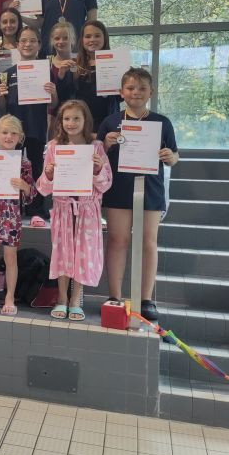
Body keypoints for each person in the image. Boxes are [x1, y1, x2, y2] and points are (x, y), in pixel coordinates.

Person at [97, 68, 179, 322]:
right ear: (121, 92)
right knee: (117, 240)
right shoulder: (110, 122)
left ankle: (146, 299)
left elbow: (174, 156)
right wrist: (106, 144)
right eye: (131, 88)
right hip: (118, 187)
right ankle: (114, 296)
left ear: (150, 92)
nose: (136, 92)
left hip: (150, 188)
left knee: (148, 241)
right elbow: (97, 158)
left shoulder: (162, 122)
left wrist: (170, 157)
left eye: (142, 88)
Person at [37, 100, 112, 321]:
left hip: (87, 209)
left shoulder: (96, 147)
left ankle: (76, 299)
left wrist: (97, 169)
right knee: (62, 252)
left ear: (85, 120)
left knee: (83, 253)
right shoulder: (53, 147)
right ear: (60, 121)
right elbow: (43, 187)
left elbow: (106, 184)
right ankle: (61, 297)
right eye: (67, 118)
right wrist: (49, 173)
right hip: (63, 208)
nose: (71, 123)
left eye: (76, 118)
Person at [0, 26, 58, 221]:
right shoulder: (7, 73)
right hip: (13, 131)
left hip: (36, 127)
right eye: (23, 40)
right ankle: (11, 206)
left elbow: (53, 105)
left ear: (39, 45)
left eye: (32, 40)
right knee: (11, 167)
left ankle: (35, 209)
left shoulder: (46, 72)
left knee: (37, 168)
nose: (28, 44)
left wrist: (53, 93)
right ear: (17, 45)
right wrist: (0, 96)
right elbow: (2, 108)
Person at [0, 115, 37, 315]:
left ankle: (9, 297)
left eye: (13, 133)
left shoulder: (24, 162)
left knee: (11, 257)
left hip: (11, 215)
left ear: (20, 137)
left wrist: (25, 187)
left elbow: (31, 195)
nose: (9, 136)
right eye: (5, 132)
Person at [55, 20, 120, 133]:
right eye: (88, 36)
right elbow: (63, 98)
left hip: (106, 124)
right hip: (79, 125)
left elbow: (120, 98)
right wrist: (61, 75)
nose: (92, 40)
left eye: (97, 36)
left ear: (104, 38)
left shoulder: (115, 63)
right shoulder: (74, 65)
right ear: (82, 40)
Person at [46, 20, 78, 137]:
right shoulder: (46, 65)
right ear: (52, 41)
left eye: (65, 38)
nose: (61, 41)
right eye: (57, 38)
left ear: (72, 39)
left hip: (77, 116)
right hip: (53, 117)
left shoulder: (79, 62)